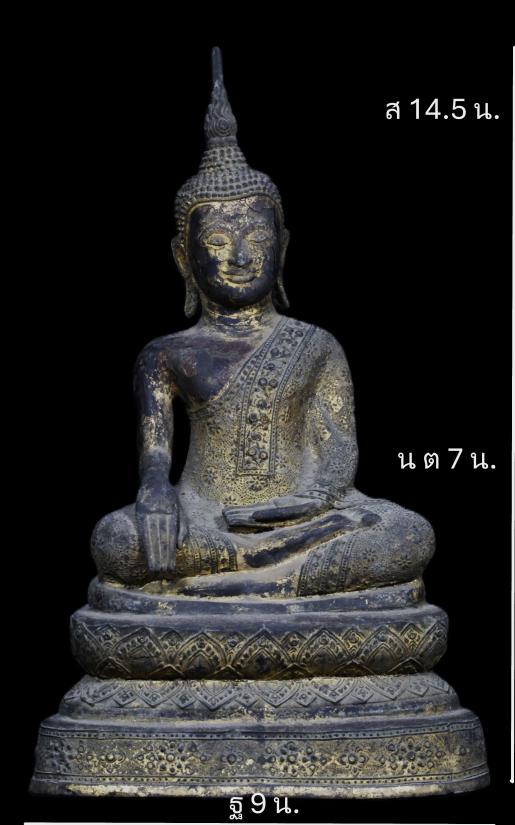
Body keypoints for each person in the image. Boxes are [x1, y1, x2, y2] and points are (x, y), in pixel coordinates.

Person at [91, 48, 434, 598]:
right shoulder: (165, 353)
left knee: (407, 535)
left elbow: (338, 453)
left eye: (257, 237)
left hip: (306, 518)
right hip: (205, 518)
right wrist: (154, 494)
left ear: (284, 247)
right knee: (117, 540)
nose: (241, 256)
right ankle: (271, 576)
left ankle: (232, 582)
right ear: (183, 257)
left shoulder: (316, 345)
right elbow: (155, 461)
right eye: (218, 241)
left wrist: (308, 505)